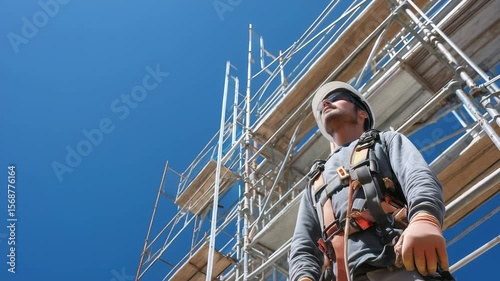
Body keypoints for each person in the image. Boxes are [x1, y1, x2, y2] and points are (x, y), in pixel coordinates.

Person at [289, 81, 452, 281]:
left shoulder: (385, 141)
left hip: (399, 265)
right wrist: (303, 277)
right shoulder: (315, 182)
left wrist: (425, 217)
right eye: (323, 104)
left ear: (362, 113)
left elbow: (418, 177)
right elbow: (303, 242)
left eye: (335, 98)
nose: (325, 103)